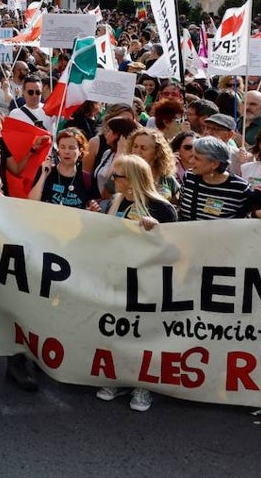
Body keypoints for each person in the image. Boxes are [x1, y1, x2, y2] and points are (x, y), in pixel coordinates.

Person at [95, 154, 178, 412]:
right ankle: (119, 378)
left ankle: (144, 385)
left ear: (131, 179)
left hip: (147, 284)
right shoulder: (115, 201)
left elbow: (175, 251)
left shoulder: (161, 209)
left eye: (116, 176)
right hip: (117, 278)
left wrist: (157, 234)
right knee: (117, 331)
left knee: (143, 334)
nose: (111, 180)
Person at [177, 136, 261, 220]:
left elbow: (247, 218)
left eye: (197, 158)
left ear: (215, 164)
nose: (191, 161)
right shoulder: (189, 177)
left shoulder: (240, 188)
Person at [28, 128, 95, 208]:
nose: (66, 151)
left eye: (71, 148)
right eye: (62, 147)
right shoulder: (46, 170)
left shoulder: (87, 178)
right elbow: (31, 202)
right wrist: (43, 175)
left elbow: (90, 207)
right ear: (58, 150)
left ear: (80, 151)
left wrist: (92, 209)